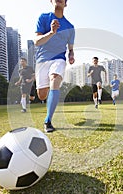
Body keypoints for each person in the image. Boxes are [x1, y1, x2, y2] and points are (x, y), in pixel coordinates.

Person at [34, 0, 75, 133]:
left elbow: (71, 49)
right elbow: (37, 42)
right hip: (42, 60)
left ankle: (48, 120)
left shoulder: (70, 27)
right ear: (51, 1)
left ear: (65, 3)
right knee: (42, 95)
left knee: (54, 79)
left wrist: (71, 56)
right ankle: (51, 97)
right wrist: (51, 32)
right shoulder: (43, 18)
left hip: (59, 59)